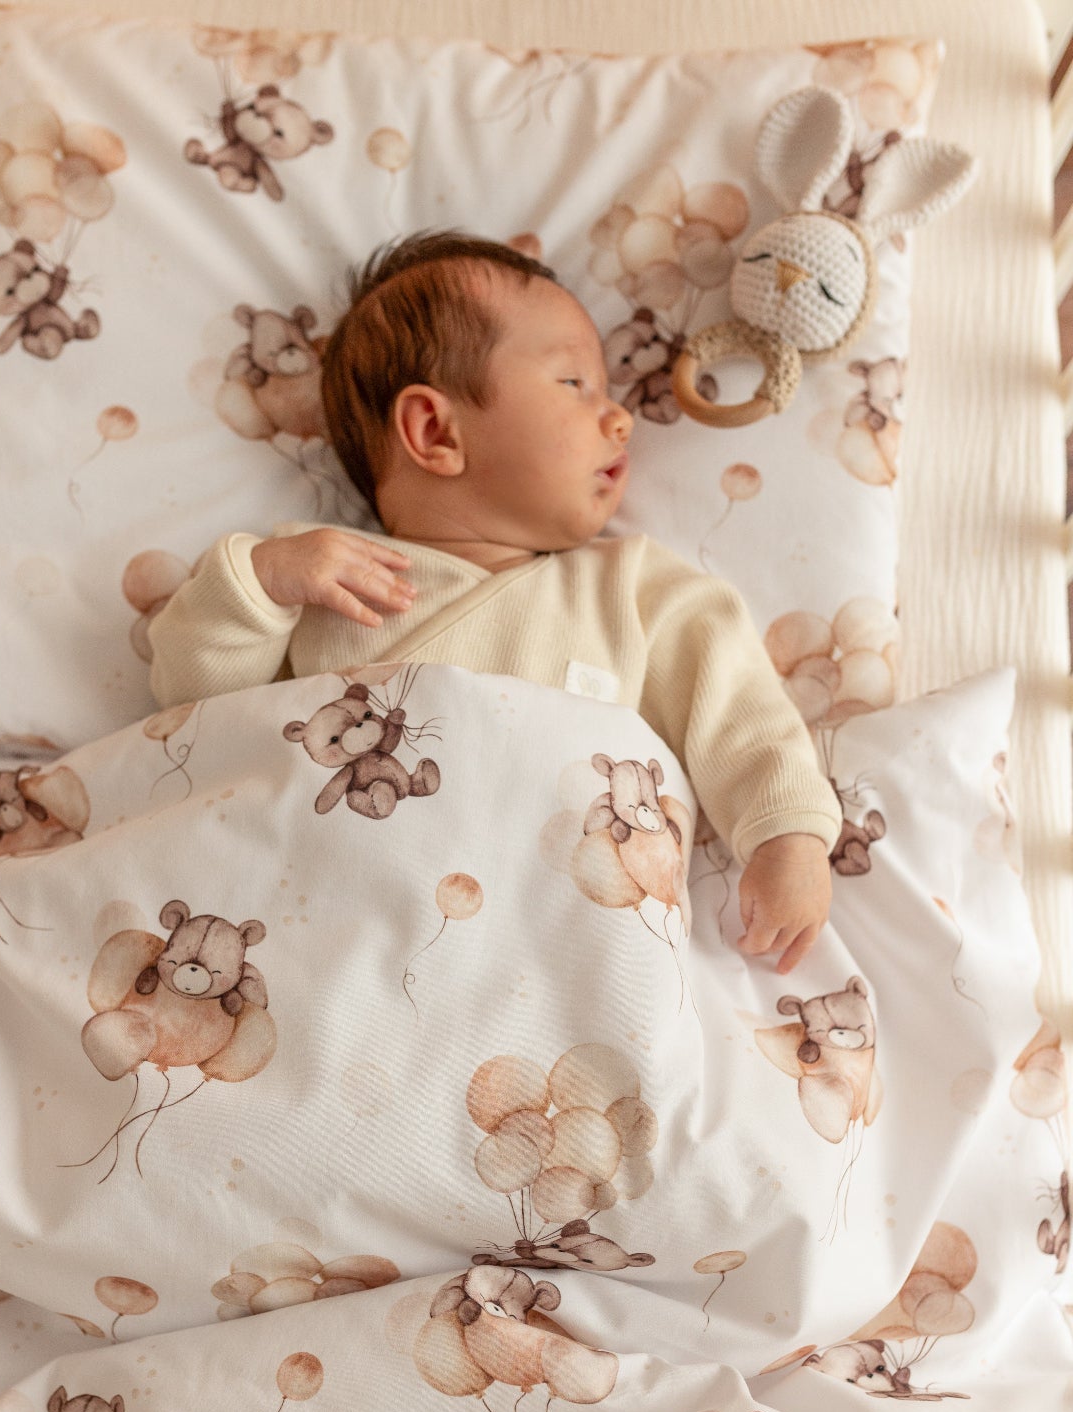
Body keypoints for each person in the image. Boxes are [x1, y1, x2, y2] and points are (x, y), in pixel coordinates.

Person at [149, 230, 842, 975]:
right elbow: (194, 716)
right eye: (575, 384)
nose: (620, 417)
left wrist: (787, 837)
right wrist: (260, 579)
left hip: (553, 946)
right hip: (340, 934)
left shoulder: (632, 589)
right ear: (435, 430)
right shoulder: (324, 576)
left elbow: (740, 714)